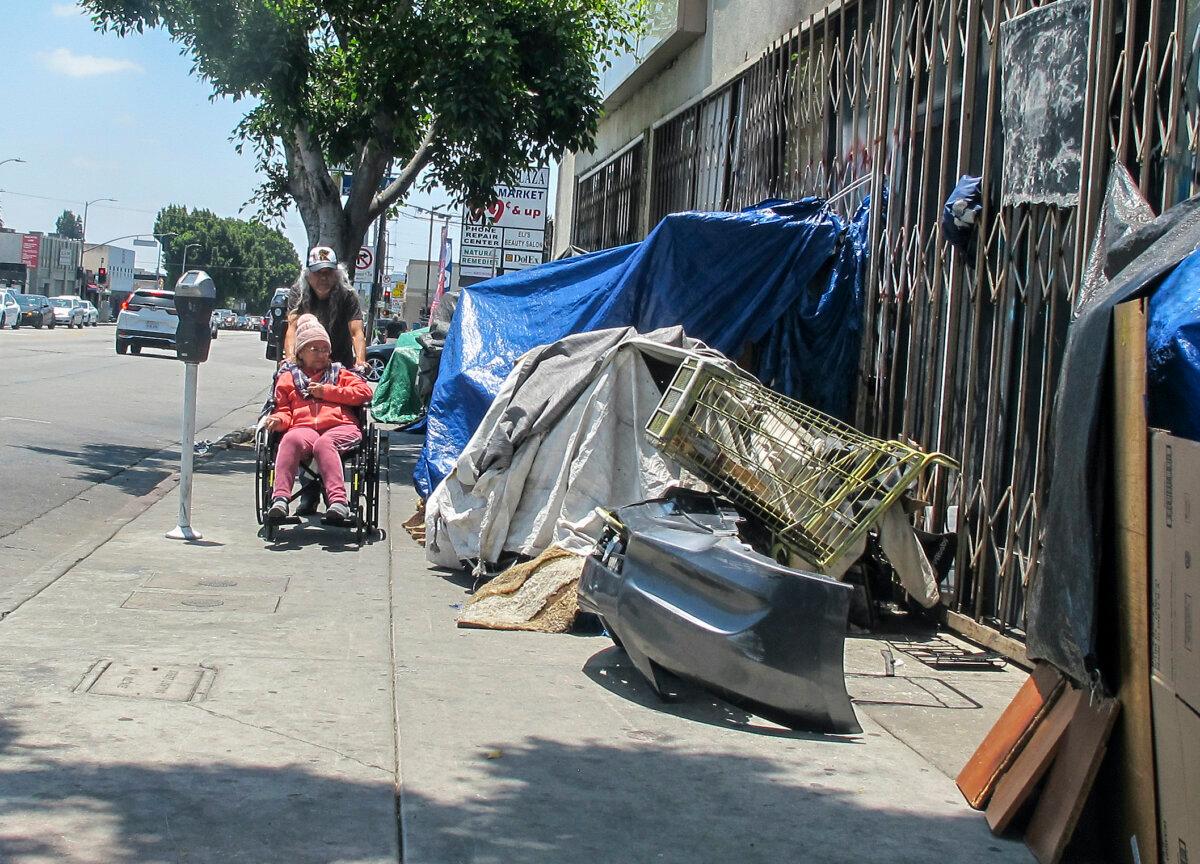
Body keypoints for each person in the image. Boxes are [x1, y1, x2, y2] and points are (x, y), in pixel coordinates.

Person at [266, 314, 373, 522]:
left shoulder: (339, 373)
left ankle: (338, 502)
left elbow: (364, 393)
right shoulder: (289, 379)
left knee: (325, 444)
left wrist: (328, 392)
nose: (321, 354)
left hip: (341, 427)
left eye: (325, 349)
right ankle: (280, 498)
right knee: (290, 439)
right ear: (301, 352)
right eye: (314, 349)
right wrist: (278, 420)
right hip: (304, 428)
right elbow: (284, 411)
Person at [283, 246, 368, 371]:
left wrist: (360, 362)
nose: (323, 278)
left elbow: (356, 332)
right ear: (307, 274)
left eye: (329, 272)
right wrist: (290, 358)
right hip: (306, 364)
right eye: (318, 272)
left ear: (337, 273)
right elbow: (293, 328)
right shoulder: (298, 292)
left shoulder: (347, 294)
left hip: (341, 363)